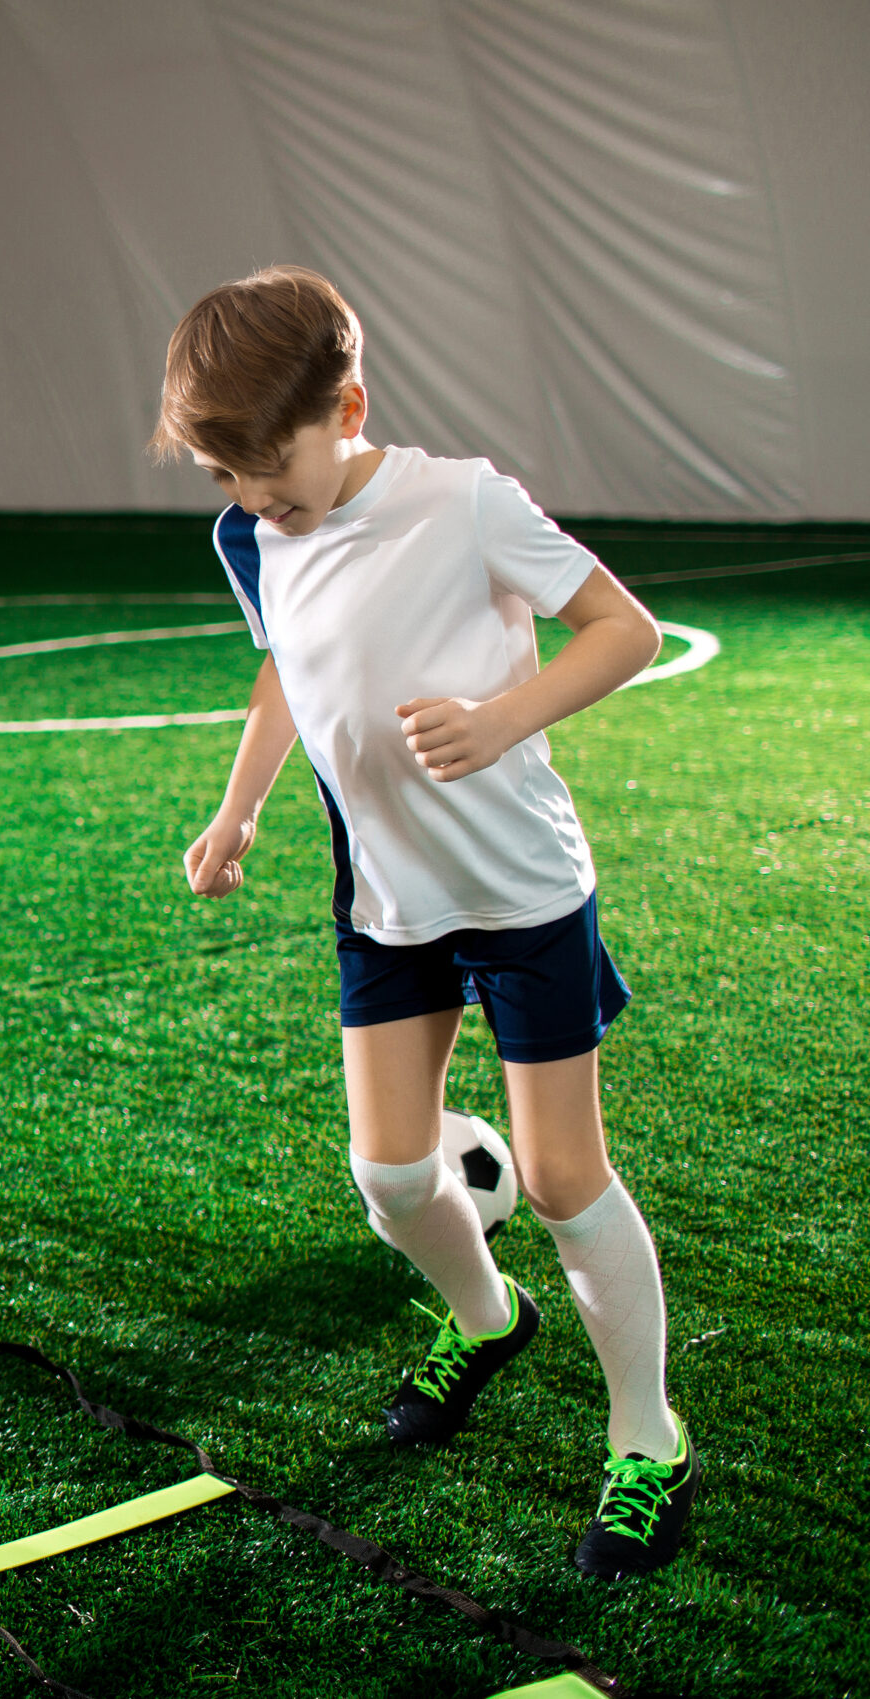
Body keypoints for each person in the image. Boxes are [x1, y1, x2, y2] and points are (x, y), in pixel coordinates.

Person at [161, 266, 693, 1578]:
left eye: (271, 477)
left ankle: (648, 1436)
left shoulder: (463, 503)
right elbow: (286, 667)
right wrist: (237, 813)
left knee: (564, 1175)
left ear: (348, 405)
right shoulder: (247, 535)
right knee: (391, 1172)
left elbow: (622, 629)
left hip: (519, 889)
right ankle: (487, 1315)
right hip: (385, 898)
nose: (256, 507)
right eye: (229, 482)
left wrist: (505, 715)